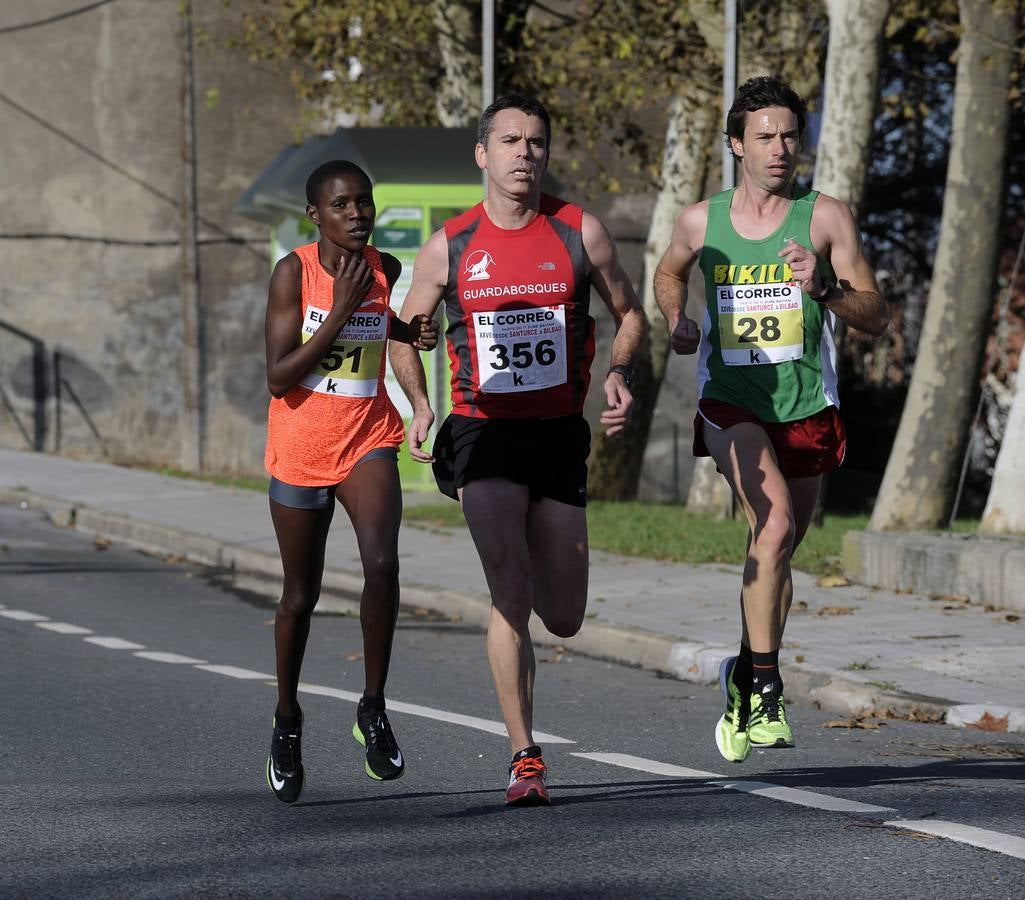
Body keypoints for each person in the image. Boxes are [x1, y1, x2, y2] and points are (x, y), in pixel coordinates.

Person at [390, 94, 647, 806]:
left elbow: (630, 314)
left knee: (562, 616)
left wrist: (620, 375)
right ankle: (523, 755)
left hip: (557, 433)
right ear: (483, 153)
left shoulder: (579, 232)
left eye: (535, 142)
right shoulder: (452, 244)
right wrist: (419, 400)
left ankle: (536, 561)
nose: (523, 154)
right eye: (509, 141)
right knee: (509, 590)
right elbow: (406, 328)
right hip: (481, 432)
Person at [653, 76, 890, 763]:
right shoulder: (703, 220)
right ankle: (765, 688)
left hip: (807, 406)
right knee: (775, 522)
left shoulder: (825, 218)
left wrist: (824, 288)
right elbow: (669, 272)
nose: (780, 148)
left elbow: (876, 317)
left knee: (776, 548)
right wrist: (676, 318)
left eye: (790, 135)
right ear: (736, 145)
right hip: (730, 403)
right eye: (764, 136)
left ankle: (742, 670)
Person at [263, 159, 438, 803]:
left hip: (367, 436)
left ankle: (373, 706)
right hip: (301, 448)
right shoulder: (293, 274)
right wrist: (337, 312)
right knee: (299, 596)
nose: (358, 214)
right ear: (317, 215)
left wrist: (411, 330)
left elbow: (385, 330)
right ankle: (287, 722)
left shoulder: (386, 270)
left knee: (383, 561)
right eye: (343, 205)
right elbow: (279, 377)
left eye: (365, 202)